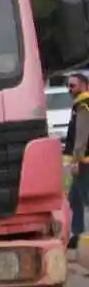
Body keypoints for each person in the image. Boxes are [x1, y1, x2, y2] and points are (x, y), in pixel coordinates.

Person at [64, 71, 89, 249]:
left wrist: (75, 161)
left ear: (84, 85)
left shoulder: (83, 105)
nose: (69, 89)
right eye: (68, 85)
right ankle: (77, 235)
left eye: (73, 85)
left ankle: (80, 235)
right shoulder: (80, 104)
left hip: (85, 161)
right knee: (74, 198)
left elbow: (81, 136)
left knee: (85, 198)